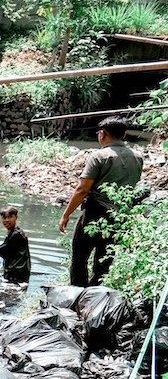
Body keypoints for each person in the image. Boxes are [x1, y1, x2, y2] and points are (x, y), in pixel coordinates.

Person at [59, 116, 143, 286]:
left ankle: (77, 294)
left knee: (80, 258)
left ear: (103, 134)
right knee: (104, 261)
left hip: (94, 213)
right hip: (119, 216)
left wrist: (66, 215)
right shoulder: (137, 157)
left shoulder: (99, 156)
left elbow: (82, 189)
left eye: (99, 133)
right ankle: (95, 296)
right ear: (124, 135)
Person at [0, 206, 31, 284]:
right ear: (1, 218)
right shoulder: (16, 232)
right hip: (20, 273)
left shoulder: (16, 235)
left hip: (16, 275)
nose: (7, 220)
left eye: (10, 217)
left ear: (16, 217)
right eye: (4, 217)